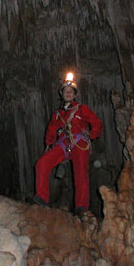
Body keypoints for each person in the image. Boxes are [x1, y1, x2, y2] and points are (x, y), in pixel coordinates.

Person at [33, 72, 103, 214]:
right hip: (63, 144)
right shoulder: (57, 114)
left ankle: (81, 206)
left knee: (80, 173)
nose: (68, 93)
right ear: (62, 94)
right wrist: (49, 144)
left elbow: (97, 123)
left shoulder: (82, 109)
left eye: (71, 91)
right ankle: (41, 197)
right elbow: (51, 131)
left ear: (75, 94)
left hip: (79, 142)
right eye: (66, 91)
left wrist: (91, 134)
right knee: (42, 163)